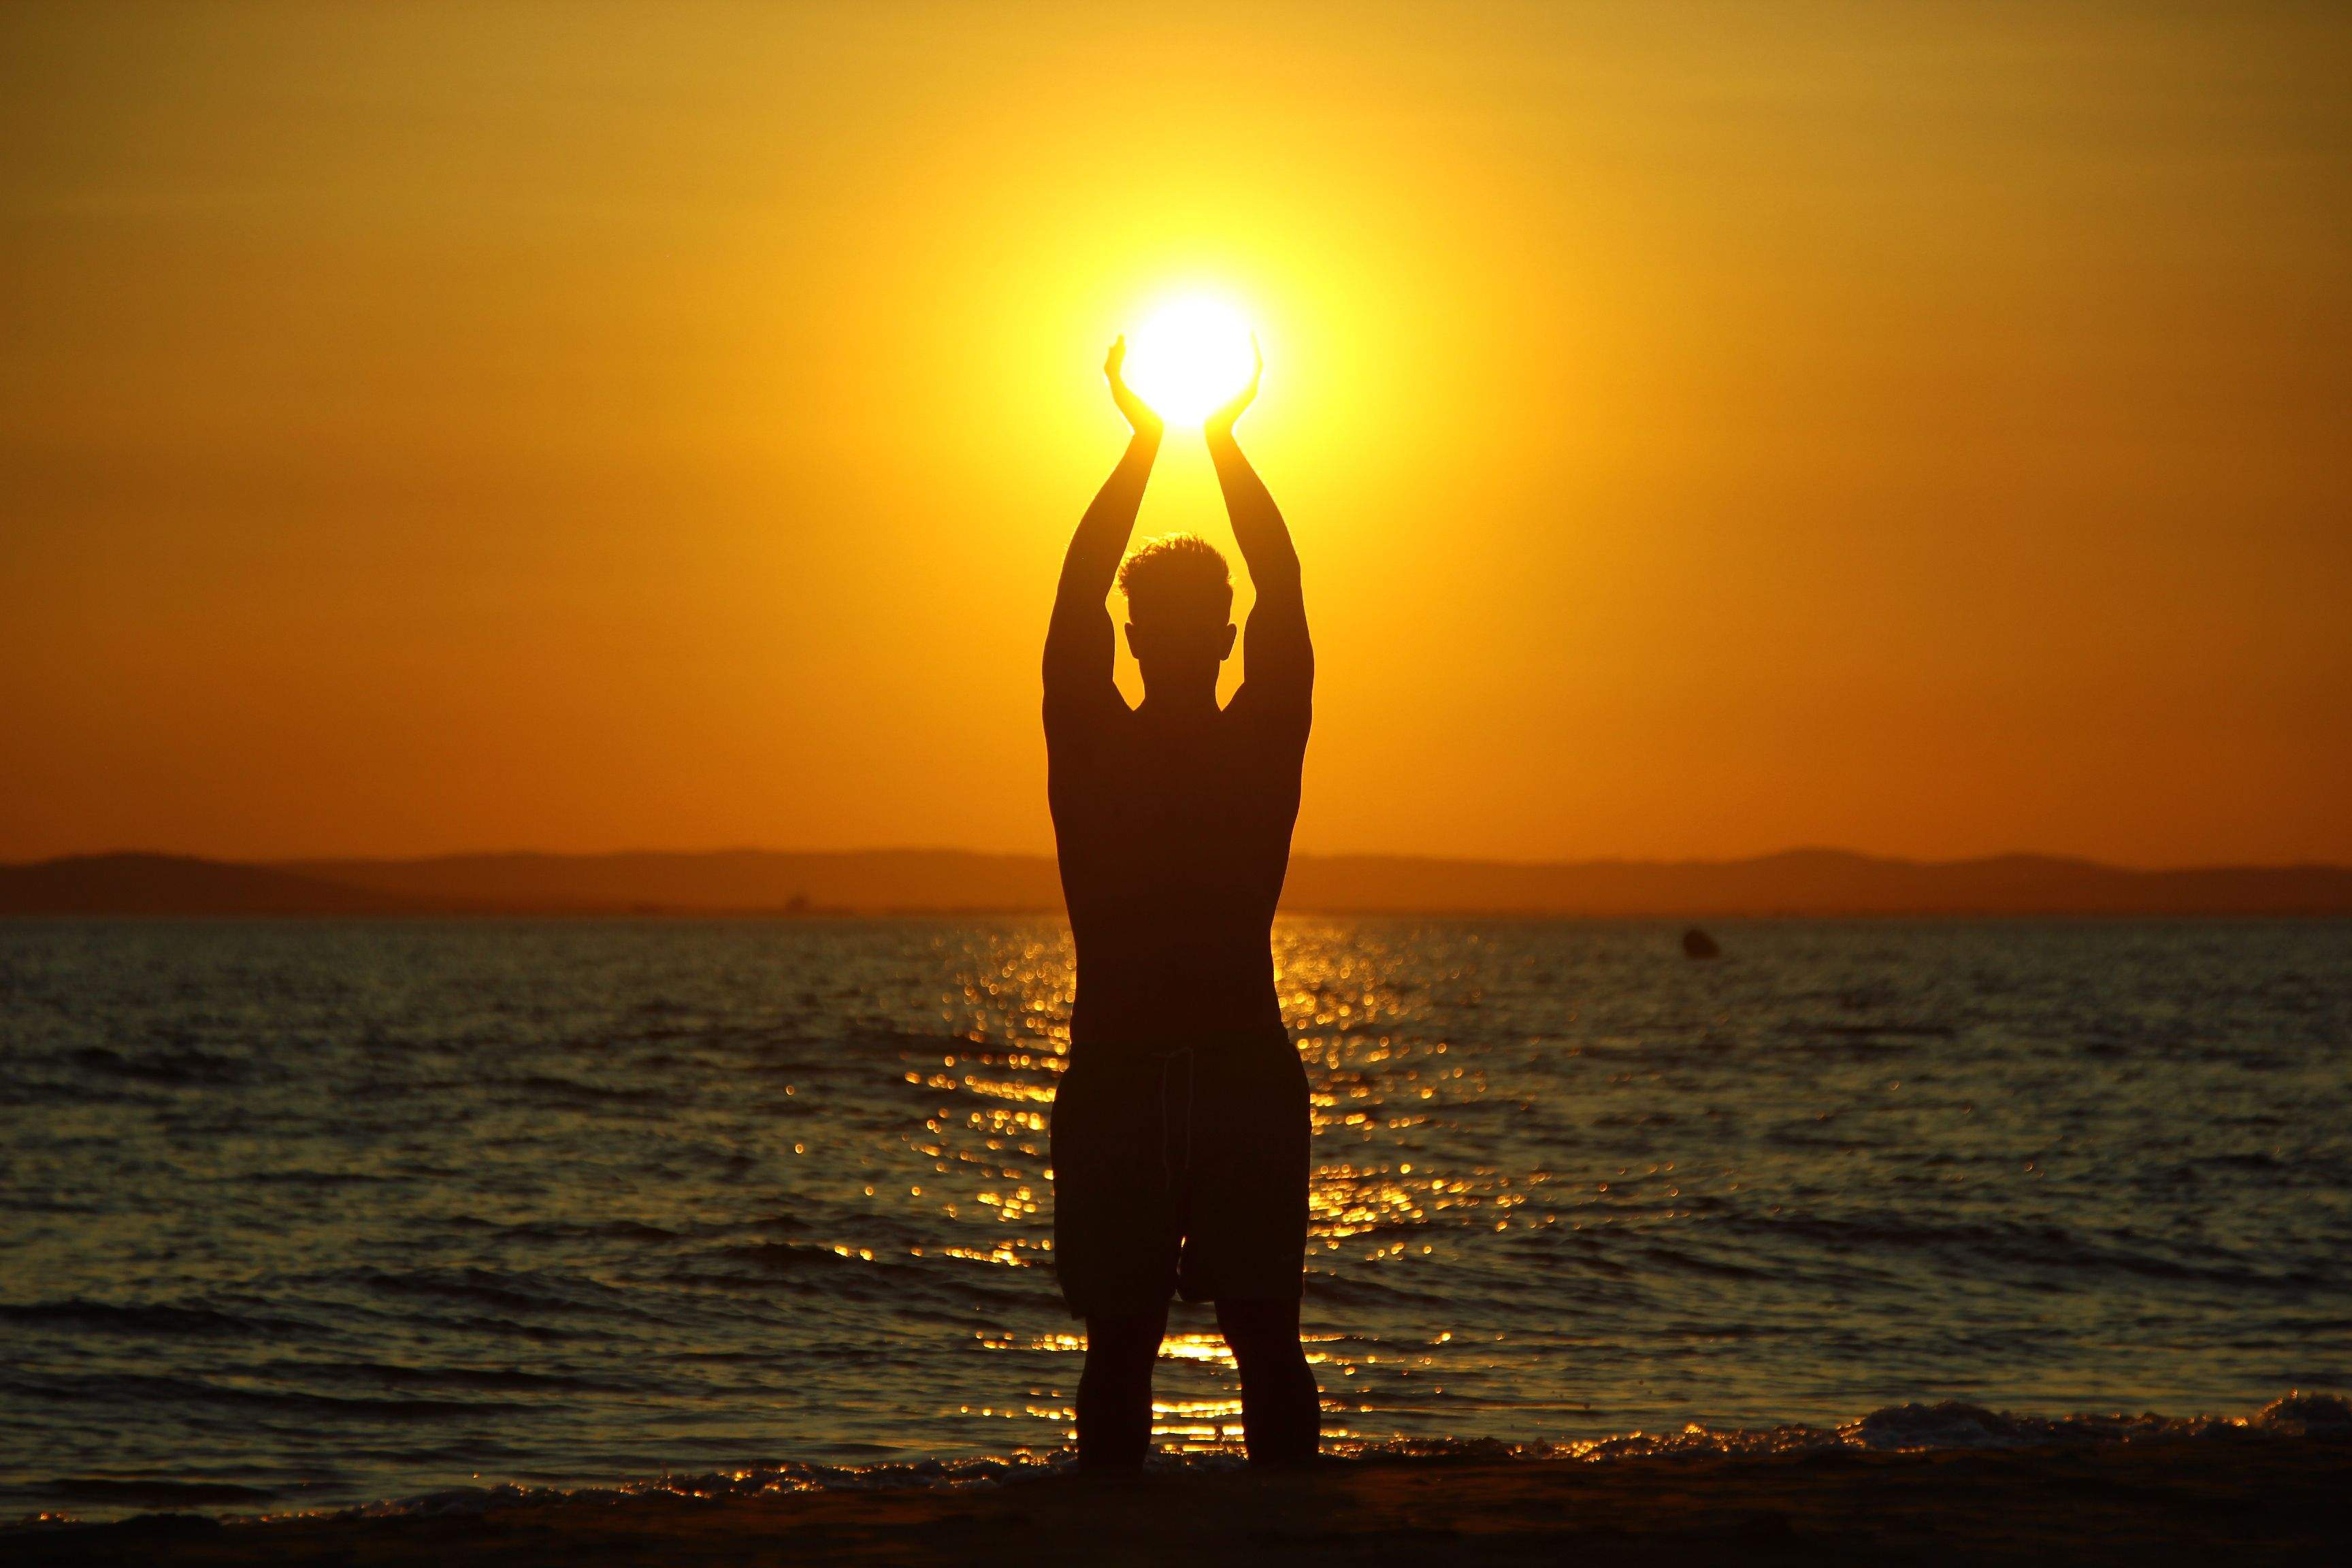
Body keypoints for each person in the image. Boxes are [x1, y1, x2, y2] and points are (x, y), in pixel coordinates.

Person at [1043, 336, 1319, 1469]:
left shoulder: (1254, 742)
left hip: (1236, 1069)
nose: (1176, 631)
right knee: (1122, 1339)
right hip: (1124, 1073)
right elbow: (1075, 595)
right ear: (1140, 633)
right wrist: (1158, 440)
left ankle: (1286, 1525)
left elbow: (1284, 590)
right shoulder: (1096, 743)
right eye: (1161, 614)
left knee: (1261, 1332)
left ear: (1218, 636)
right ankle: (1117, 1524)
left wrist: (1212, 438)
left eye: (1192, 613)